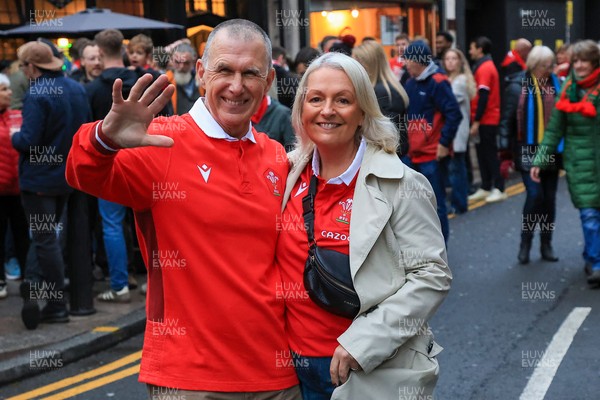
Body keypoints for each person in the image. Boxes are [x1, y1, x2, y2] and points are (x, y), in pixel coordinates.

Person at [66, 19, 300, 398]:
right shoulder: (162, 141)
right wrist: (105, 139)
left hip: (277, 378)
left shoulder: (276, 155)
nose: (236, 86)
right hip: (190, 380)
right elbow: (81, 173)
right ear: (202, 73)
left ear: (269, 81)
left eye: (250, 73)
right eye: (224, 70)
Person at [277, 51, 451, 399]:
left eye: (342, 100)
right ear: (301, 110)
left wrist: (363, 344)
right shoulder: (286, 173)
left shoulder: (401, 183)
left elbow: (432, 275)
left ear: (362, 113)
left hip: (369, 369)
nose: (327, 110)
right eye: (315, 99)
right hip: (291, 370)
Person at [12, 39, 91, 328]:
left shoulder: (37, 94)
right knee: (46, 237)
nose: (23, 72)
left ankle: (57, 305)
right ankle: (33, 286)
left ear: (33, 67)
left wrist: (13, 137)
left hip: (40, 178)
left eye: (23, 67)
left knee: (45, 240)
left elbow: (29, 140)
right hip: (66, 176)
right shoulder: (76, 88)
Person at [531, 40, 600, 285]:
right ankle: (596, 262)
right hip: (580, 164)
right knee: (589, 215)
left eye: (585, 61)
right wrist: (540, 159)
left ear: (594, 63)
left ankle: (592, 257)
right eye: (576, 61)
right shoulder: (567, 89)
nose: (579, 66)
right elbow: (554, 129)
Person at [500, 46, 561, 264]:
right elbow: (506, 121)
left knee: (549, 200)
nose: (550, 69)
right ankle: (525, 243)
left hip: (552, 150)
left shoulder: (557, 84)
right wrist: (505, 154)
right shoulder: (517, 87)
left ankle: (546, 244)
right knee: (535, 196)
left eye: (551, 65)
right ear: (534, 66)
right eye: (546, 66)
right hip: (526, 150)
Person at [403, 41, 462, 243]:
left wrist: (444, 144)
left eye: (407, 59)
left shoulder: (438, 82)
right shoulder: (409, 83)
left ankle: (441, 253)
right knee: (416, 208)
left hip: (432, 157)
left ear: (417, 60)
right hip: (414, 156)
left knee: (436, 206)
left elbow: (454, 114)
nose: (405, 64)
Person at [352, 40, 410, 157]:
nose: (354, 68)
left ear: (368, 64)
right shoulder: (384, 88)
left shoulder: (382, 92)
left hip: (387, 159)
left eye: (357, 63)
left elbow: (386, 138)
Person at [468, 36, 507, 203]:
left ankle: (499, 187)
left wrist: (476, 120)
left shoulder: (484, 67)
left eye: (472, 48)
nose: (470, 51)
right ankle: (485, 186)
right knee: (482, 153)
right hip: (484, 118)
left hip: (487, 118)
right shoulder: (485, 65)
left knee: (490, 154)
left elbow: (483, 96)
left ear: (480, 49)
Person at [0, 74, 29, 299]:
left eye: (8, 89)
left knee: (22, 236)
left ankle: (27, 279)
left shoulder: (18, 116)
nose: (9, 93)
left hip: (19, 190)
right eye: (3, 90)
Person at [442, 48, 477, 214]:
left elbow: (448, 102)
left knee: (457, 168)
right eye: (447, 58)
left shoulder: (460, 81)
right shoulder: (449, 79)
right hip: (454, 131)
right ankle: (459, 201)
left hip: (458, 132)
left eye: (453, 58)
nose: (450, 61)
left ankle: (459, 203)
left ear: (460, 62)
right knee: (456, 167)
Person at [166, 43, 201, 115]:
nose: (181, 67)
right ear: (172, 61)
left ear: (193, 62)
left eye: (186, 63)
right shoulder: (165, 82)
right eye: (177, 62)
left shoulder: (202, 80)